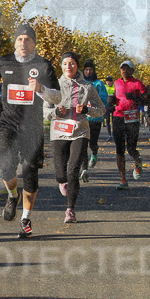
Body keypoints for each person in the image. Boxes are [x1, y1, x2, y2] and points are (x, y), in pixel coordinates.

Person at [0, 24, 59, 238]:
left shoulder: (44, 65)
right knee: (6, 167)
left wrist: (42, 89)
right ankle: (12, 196)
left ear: (34, 43)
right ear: (14, 42)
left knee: (30, 174)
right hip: (6, 122)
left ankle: (26, 219)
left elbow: (57, 96)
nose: (23, 43)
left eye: (28, 39)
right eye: (20, 39)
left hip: (32, 127)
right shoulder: (3, 61)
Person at [37, 52, 104, 223]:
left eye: (72, 63)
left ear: (77, 66)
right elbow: (45, 112)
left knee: (73, 171)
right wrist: (55, 112)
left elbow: (101, 109)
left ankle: (70, 210)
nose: (69, 66)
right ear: (61, 66)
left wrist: (87, 110)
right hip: (59, 132)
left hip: (80, 132)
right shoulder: (54, 86)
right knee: (61, 174)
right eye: (65, 63)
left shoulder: (87, 87)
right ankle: (62, 181)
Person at [111, 61, 147, 190]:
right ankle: (123, 179)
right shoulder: (116, 83)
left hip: (132, 118)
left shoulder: (138, 83)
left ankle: (137, 161)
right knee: (119, 150)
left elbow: (146, 99)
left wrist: (135, 97)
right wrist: (112, 101)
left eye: (127, 69)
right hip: (118, 117)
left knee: (131, 148)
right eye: (122, 69)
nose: (124, 71)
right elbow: (114, 97)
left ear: (132, 71)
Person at [77, 59, 107, 180]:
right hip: (83, 118)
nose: (88, 72)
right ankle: (84, 169)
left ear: (94, 71)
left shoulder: (99, 84)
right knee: (82, 144)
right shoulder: (80, 83)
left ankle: (94, 153)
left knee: (92, 142)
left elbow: (104, 100)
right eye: (86, 69)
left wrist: (94, 99)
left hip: (95, 118)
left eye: (91, 69)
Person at [103, 75, 116, 141]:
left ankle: (114, 134)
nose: (108, 83)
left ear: (112, 82)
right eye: (107, 82)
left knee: (114, 121)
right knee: (107, 120)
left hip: (114, 106)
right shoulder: (104, 87)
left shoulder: (115, 87)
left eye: (109, 82)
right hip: (107, 106)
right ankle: (109, 135)